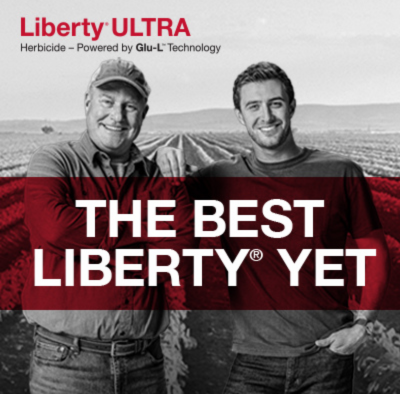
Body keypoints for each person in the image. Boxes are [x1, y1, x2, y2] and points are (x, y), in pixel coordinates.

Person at [156, 62, 390, 393]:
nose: (265, 116)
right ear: (240, 115)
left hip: (326, 356)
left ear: (291, 106)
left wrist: (363, 324)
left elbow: (375, 250)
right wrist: (165, 154)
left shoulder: (339, 172)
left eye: (275, 103)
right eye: (253, 106)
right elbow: (154, 196)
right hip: (253, 361)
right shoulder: (220, 178)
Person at [23, 58, 195, 394]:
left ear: (143, 114)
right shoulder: (54, 160)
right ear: (87, 101)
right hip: (67, 365)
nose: (117, 116)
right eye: (107, 101)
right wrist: (144, 230)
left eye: (130, 105)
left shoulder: (158, 176)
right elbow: (55, 228)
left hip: (144, 365)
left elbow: (179, 257)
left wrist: (173, 183)